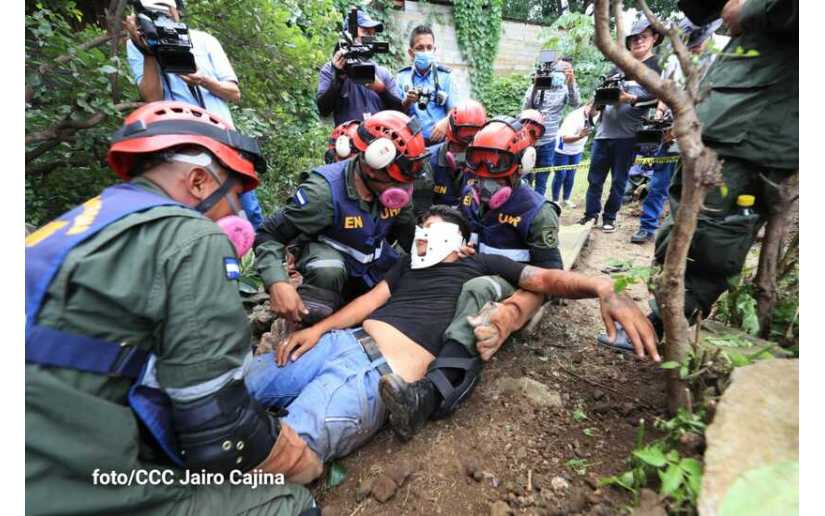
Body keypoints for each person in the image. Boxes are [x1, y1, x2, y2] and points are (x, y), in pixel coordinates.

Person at [25, 101, 316, 515]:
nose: (238, 214)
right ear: (199, 181)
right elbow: (217, 423)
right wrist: (289, 455)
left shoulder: (84, 223)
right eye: (234, 196)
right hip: (52, 482)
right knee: (290, 501)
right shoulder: (191, 236)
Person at [244, 205, 659, 479]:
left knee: (286, 456)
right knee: (229, 395)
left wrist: (604, 287)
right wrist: (319, 330)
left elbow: (545, 279)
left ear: (460, 240)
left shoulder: (480, 263)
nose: (422, 233)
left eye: (431, 228)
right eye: (420, 227)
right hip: (340, 343)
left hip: (373, 374)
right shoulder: (407, 265)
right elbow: (370, 301)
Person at [378, 120, 595, 440]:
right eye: (476, 169)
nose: (481, 181)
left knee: (476, 289)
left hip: (508, 280)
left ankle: (434, 392)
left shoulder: (537, 212)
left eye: (492, 172)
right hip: (475, 265)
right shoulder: (470, 196)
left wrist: (513, 310)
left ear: (521, 167)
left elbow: (550, 277)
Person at [643, 0, 798, 335]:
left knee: (714, 230)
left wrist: (747, 11)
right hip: (727, 111)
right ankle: (664, 314)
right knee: (684, 213)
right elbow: (700, 9)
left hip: (756, 124)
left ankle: (669, 323)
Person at [254, 111, 425, 330]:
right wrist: (276, 282)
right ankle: (308, 325)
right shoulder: (323, 193)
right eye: (396, 180)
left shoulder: (396, 193)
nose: (403, 188)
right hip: (328, 268)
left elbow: (410, 236)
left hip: (371, 265)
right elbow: (268, 235)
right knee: (328, 269)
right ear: (372, 168)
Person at [123, 0, 265, 230]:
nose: (161, 16)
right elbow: (153, 98)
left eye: (165, 8)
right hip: (180, 144)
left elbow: (234, 93)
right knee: (192, 212)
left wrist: (203, 80)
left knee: (247, 210)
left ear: (178, 10)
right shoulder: (137, 45)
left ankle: (259, 258)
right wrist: (148, 52)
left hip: (222, 140)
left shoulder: (205, 40)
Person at [631, 18, 723, 244]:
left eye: (696, 43)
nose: (692, 48)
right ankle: (648, 226)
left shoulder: (722, 58)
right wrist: (660, 118)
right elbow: (665, 94)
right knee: (659, 183)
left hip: (703, 133)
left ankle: (692, 234)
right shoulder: (673, 60)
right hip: (670, 132)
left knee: (697, 185)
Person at [580, 18, 662, 233]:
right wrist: (594, 107)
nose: (638, 41)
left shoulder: (655, 69)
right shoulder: (617, 68)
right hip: (603, 133)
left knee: (619, 181)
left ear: (654, 38)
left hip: (628, 136)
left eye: (643, 36)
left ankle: (609, 218)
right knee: (594, 180)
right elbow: (601, 96)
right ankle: (590, 215)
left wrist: (629, 98)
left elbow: (660, 99)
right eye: (634, 38)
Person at [316, 9, 403, 125]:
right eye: (366, 33)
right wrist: (339, 78)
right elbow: (324, 110)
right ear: (348, 34)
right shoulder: (330, 69)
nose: (370, 38)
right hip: (346, 139)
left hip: (378, 140)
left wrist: (381, 90)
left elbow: (399, 111)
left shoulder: (382, 73)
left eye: (373, 34)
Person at [521, 53, 580, 197]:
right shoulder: (538, 85)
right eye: (559, 71)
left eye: (565, 72)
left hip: (548, 141)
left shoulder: (565, 89)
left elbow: (575, 103)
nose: (560, 75)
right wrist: (536, 85)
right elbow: (526, 108)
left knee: (542, 179)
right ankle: (524, 205)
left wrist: (572, 82)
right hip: (530, 139)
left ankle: (538, 207)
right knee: (525, 177)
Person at [396, 25, 461, 145]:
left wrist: (445, 122)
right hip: (410, 143)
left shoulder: (445, 76)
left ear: (434, 50)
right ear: (411, 52)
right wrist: (408, 101)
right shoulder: (402, 77)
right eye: (420, 48)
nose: (425, 52)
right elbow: (397, 112)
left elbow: (455, 110)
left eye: (429, 47)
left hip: (439, 142)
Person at [421, 99, 487, 210]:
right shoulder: (429, 159)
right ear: (452, 127)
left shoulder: (484, 161)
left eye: (475, 131)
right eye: (465, 130)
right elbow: (421, 207)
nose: (470, 136)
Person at [550, 106, 593, 208]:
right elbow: (564, 138)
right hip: (562, 149)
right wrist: (580, 136)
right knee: (560, 175)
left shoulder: (597, 114)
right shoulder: (574, 117)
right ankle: (555, 201)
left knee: (571, 175)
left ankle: (566, 199)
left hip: (577, 150)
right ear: (588, 106)